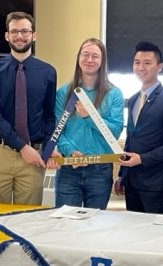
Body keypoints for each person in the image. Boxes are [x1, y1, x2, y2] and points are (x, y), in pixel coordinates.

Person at [0, 11, 57, 205]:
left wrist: (49, 148)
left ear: (34, 35)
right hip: (0, 153)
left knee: (27, 219)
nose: (20, 36)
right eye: (14, 31)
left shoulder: (48, 72)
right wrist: (22, 147)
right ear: (7, 35)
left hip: (34, 155)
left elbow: (49, 115)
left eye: (25, 31)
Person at [114, 42, 163, 214]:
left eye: (147, 62)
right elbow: (131, 139)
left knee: (156, 236)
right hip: (131, 182)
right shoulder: (132, 100)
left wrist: (142, 159)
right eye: (137, 62)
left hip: (156, 184)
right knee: (135, 234)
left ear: (159, 67)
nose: (141, 67)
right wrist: (122, 174)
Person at [54, 38, 124, 210]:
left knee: (94, 227)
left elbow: (114, 132)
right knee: (66, 223)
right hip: (69, 168)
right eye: (85, 55)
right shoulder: (63, 92)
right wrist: (70, 152)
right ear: (78, 58)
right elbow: (57, 131)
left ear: (102, 61)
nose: (90, 60)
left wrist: (90, 116)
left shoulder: (114, 94)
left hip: (100, 171)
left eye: (95, 56)